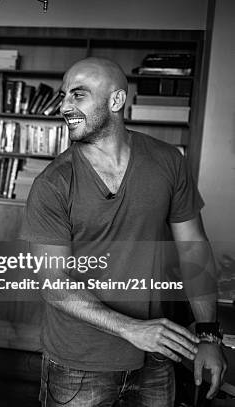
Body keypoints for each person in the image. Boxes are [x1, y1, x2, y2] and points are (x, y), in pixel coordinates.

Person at [23, 57, 227, 406]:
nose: (63, 107)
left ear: (116, 101)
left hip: (157, 359)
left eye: (78, 95)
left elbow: (194, 248)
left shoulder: (168, 161)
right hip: (79, 364)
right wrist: (131, 329)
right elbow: (52, 283)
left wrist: (209, 335)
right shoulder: (53, 183)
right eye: (63, 96)